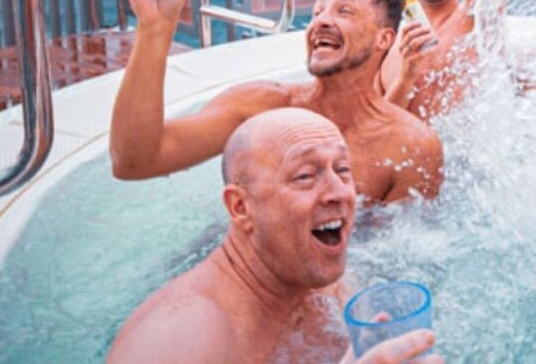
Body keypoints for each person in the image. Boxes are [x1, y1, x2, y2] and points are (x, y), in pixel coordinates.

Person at [111, 0, 443, 204]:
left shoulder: (410, 145)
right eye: (317, 12)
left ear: (384, 40)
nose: (322, 21)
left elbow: (399, 263)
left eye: (344, 11)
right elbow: (134, 161)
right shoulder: (259, 108)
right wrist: (156, 28)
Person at [107, 109, 443, 364]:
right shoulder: (182, 332)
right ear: (240, 207)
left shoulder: (324, 284)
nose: (339, 192)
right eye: (305, 176)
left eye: (342, 170)